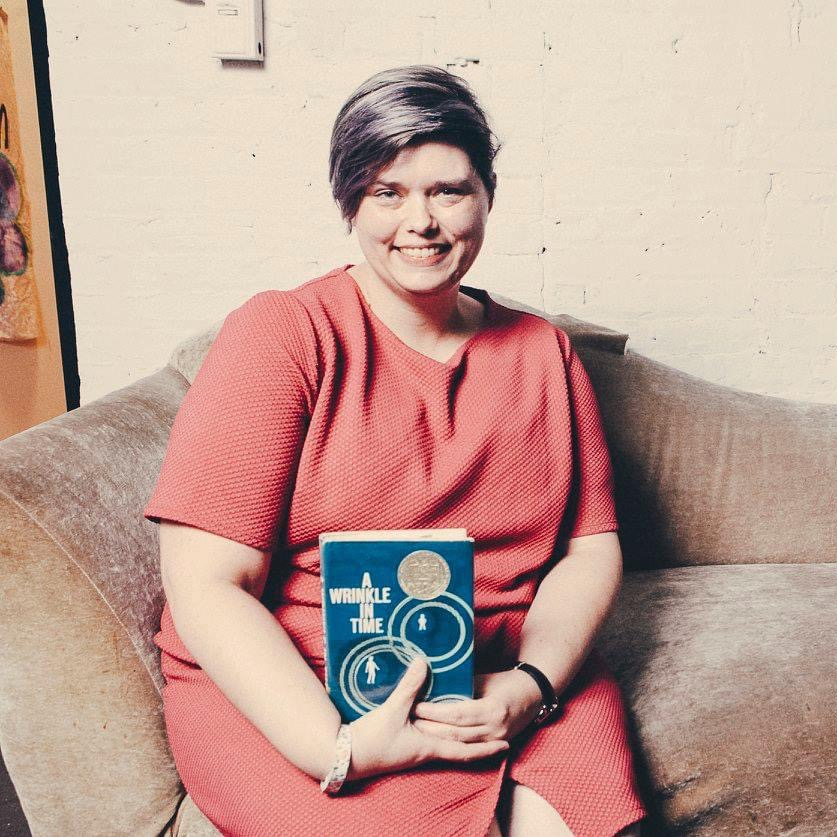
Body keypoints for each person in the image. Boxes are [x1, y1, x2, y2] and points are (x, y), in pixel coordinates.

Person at [143, 64, 648, 837]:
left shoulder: (544, 352)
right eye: (388, 192)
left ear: (485, 196)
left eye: (448, 190)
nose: (422, 221)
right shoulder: (282, 335)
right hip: (304, 682)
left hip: (498, 667)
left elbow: (590, 546)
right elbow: (207, 583)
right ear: (351, 201)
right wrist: (336, 745)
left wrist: (529, 684)